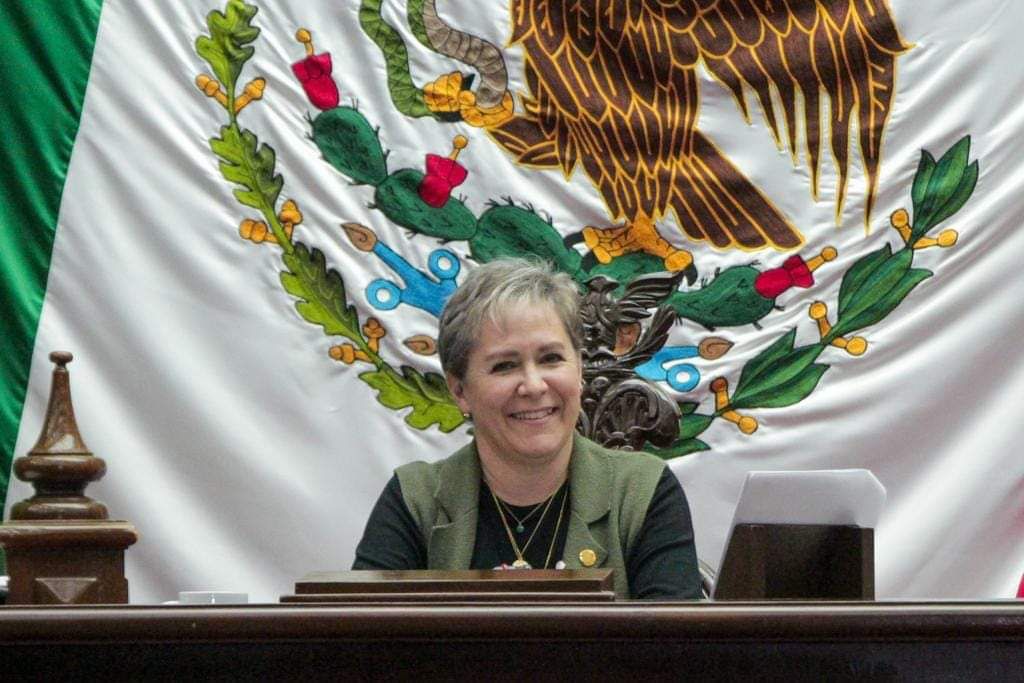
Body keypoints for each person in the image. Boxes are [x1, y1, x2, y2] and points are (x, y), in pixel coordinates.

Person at [352, 257, 701, 599]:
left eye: (551, 359)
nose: (534, 386)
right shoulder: (415, 499)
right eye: (505, 366)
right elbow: (361, 632)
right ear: (459, 391)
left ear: (579, 369)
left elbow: (674, 637)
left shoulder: (643, 491)